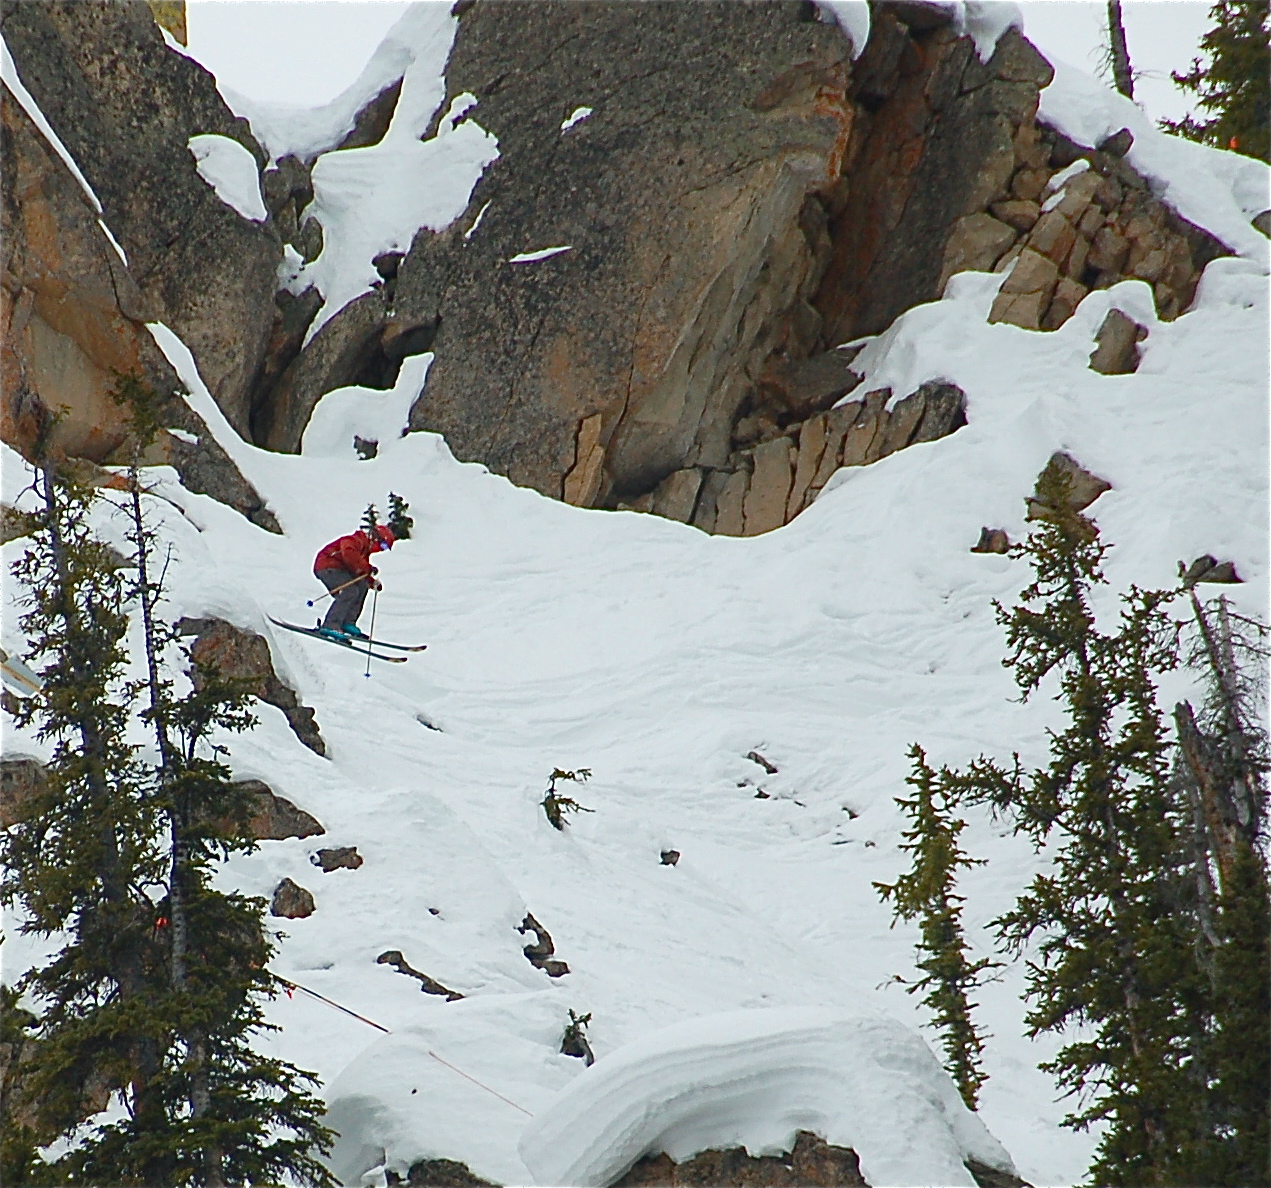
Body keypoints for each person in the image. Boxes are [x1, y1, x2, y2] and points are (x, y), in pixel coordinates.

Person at [313, 523, 395, 639]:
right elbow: (349, 554)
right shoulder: (355, 540)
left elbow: (360, 571)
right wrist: (367, 568)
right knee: (350, 591)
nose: (381, 550)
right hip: (327, 566)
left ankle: (347, 622)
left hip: (340, 569)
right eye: (382, 545)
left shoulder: (364, 551)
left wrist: (371, 581)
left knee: (363, 586)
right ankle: (330, 625)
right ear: (375, 538)